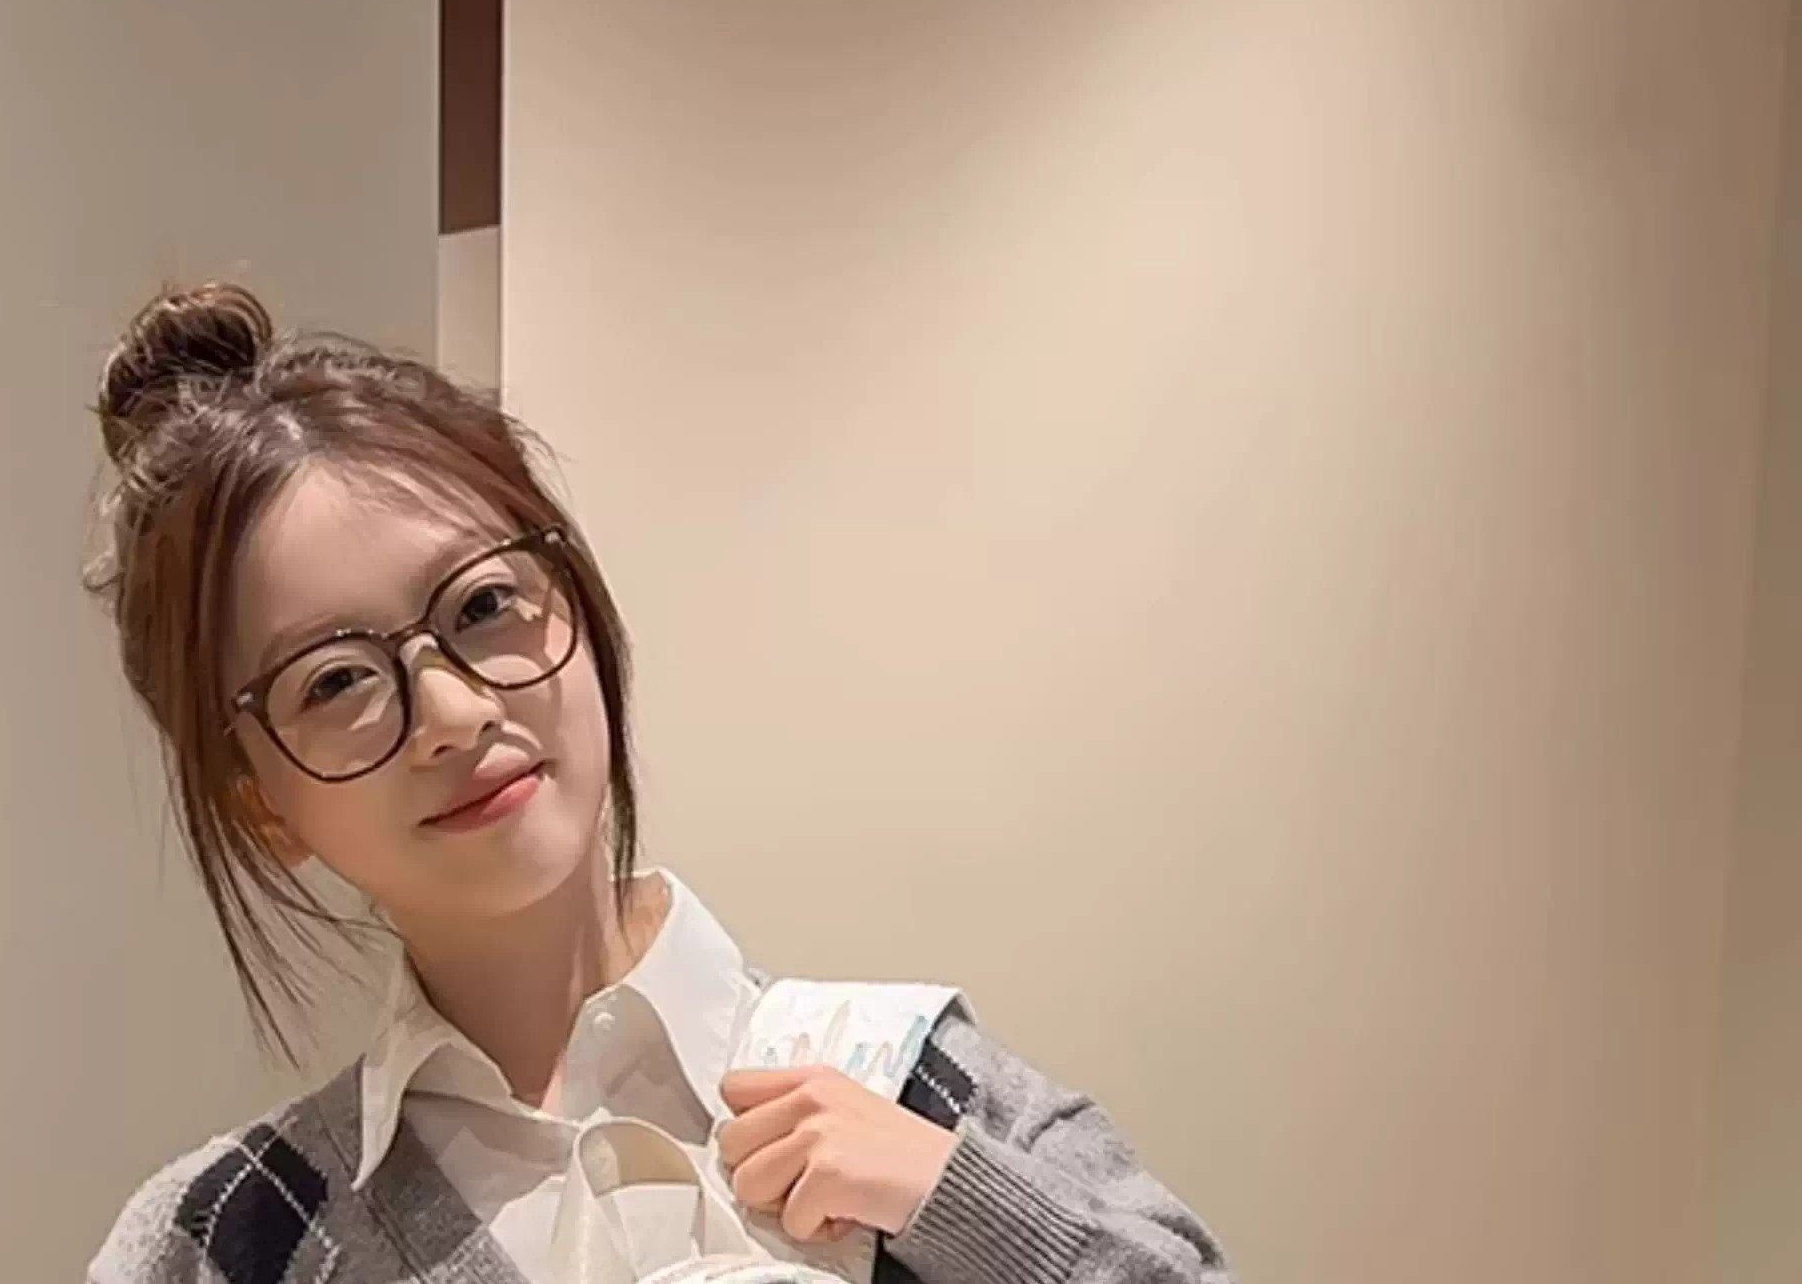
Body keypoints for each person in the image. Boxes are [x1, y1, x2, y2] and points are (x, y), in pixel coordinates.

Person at [85, 287, 1235, 1284]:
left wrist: (961, 1205)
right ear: (261, 804)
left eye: (484, 603)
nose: (453, 712)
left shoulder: (903, 1077)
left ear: (579, 607)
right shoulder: (227, 1242)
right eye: (334, 679)